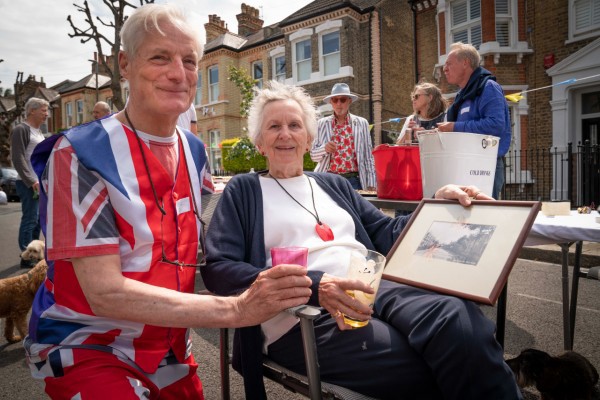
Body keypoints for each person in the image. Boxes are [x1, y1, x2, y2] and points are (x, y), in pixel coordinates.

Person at [24, 5, 311, 399]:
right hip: (89, 345)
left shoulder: (194, 150)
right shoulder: (78, 154)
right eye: (160, 57)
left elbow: (212, 239)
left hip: (169, 347)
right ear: (125, 64)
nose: (178, 73)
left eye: (189, 61)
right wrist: (236, 310)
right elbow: (103, 292)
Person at [201, 80, 523, 400]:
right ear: (259, 142)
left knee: (460, 324)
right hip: (303, 315)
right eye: (273, 127)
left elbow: (385, 231)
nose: (285, 134)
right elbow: (219, 269)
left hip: (372, 285)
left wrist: (436, 204)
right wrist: (313, 284)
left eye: (294, 125)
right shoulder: (244, 190)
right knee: (421, 365)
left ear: (309, 137)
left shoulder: (333, 184)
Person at [437, 42, 511, 200]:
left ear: (465, 63)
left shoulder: (488, 87)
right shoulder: (462, 95)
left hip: (485, 167)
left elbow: (496, 125)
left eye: (449, 63)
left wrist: (455, 127)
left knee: (484, 219)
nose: (444, 68)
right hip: (463, 165)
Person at [310, 83, 376, 191]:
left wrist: (372, 183)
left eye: (343, 100)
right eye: (335, 100)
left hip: (353, 181)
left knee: (352, 209)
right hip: (328, 180)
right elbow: (313, 155)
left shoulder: (362, 123)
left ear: (349, 101)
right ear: (331, 102)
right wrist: (324, 149)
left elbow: (368, 157)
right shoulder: (321, 124)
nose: (339, 103)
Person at [10, 97, 47, 268]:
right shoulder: (21, 129)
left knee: (38, 221)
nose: (46, 114)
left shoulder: (39, 132)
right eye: (43, 110)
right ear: (32, 110)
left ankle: (33, 255)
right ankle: (26, 257)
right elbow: (17, 158)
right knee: (30, 219)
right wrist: (31, 180)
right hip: (28, 184)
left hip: (39, 184)